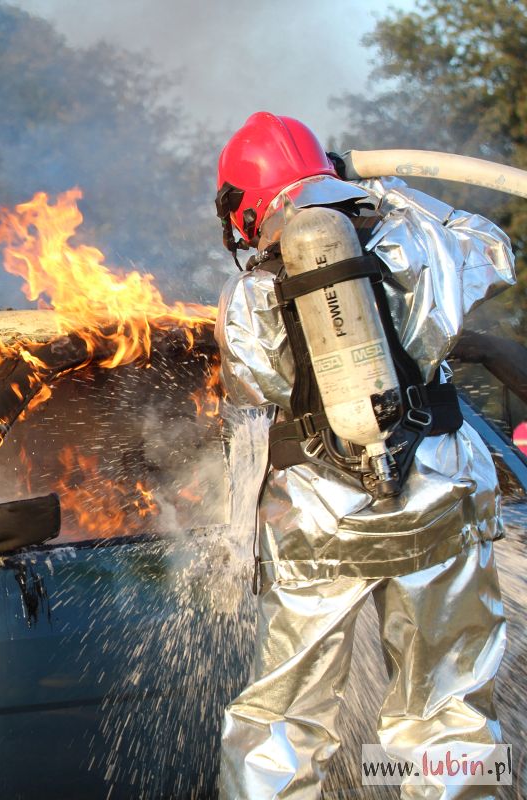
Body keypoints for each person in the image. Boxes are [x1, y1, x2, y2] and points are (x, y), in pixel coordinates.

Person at [212, 111, 517, 799]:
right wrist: (397, 193)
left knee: (283, 720)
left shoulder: (247, 298)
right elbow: (495, 249)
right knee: (446, 710)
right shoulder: (418, 241)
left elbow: (250, 402)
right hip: (440, 498)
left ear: (244, 209)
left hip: (320, 524)